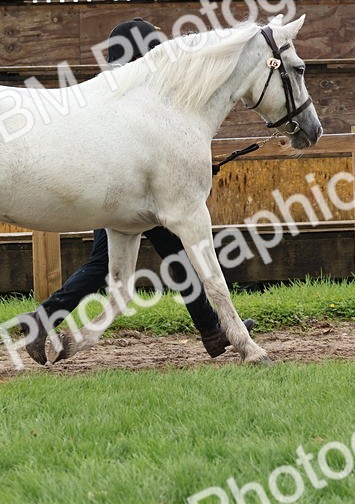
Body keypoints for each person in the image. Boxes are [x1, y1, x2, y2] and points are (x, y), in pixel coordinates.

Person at [16, 18, 256, 365]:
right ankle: (43, 318)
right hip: (121, 198)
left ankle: (212, 331)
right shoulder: (129, 102)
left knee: (176, 256)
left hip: (136, 196)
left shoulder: (124, 99)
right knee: (112, 263)